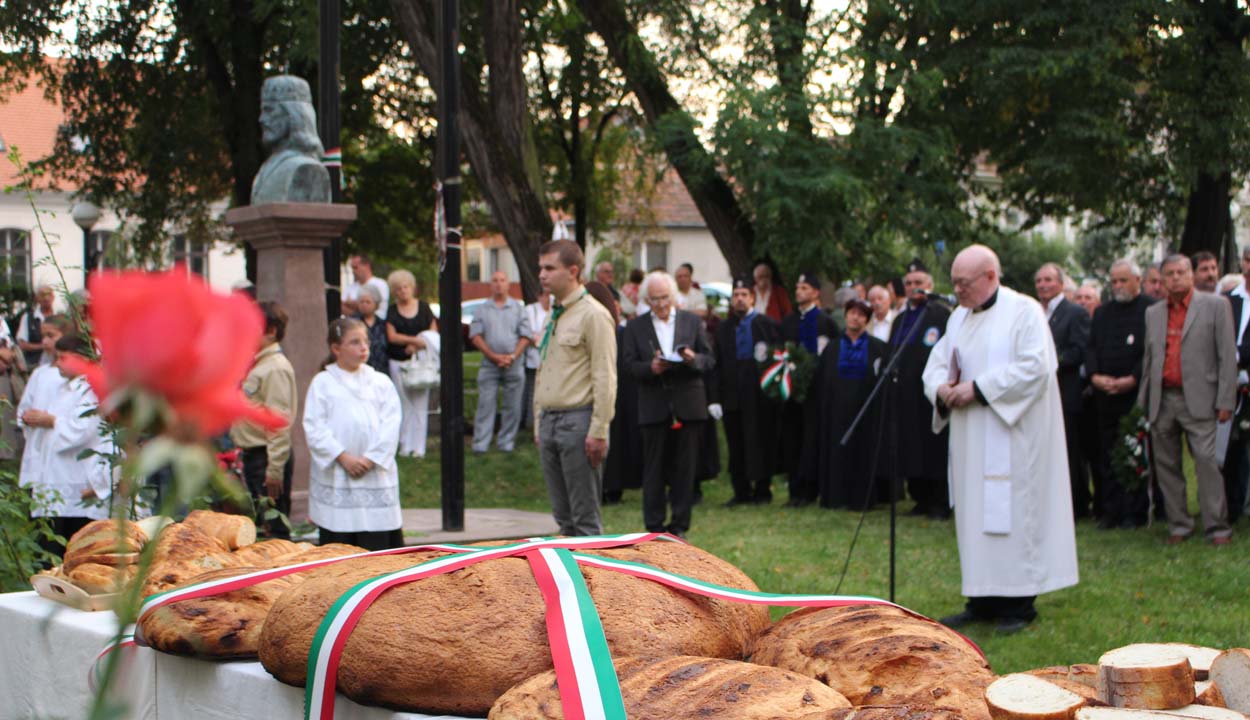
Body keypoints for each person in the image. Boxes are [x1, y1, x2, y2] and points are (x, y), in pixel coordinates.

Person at [922, 244, 1079, 634]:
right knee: (975, 515)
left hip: (1012, 435)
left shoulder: (1024, 311)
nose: (957, 290)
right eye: (954, 282)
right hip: (970, 437)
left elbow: (1037, 367)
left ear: (990, 276)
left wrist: (978, 389)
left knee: (1011, 515)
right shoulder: (958, 317)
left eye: (963, 283)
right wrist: (942, 390)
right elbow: (937, 365)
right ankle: (980, 600)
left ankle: (1019, 603)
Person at [1139, 254, 1237, 545]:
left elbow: (1226, 357)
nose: (1175, 278)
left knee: (1206, 462)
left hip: (1201, 398)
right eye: (1169, 274)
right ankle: (1179, 524)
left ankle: (1217, 527)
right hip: (1163, 398)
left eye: (1181, 272)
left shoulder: (1216, 306)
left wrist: (1225, 401)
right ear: (1162, 279)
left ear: (1191, 274)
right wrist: (1145, 400)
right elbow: (1150, 358)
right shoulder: (1154, 313)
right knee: (1167, 465)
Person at [534, 240, 617, 536]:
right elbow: (544, 369)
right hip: (550, 419)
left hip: (578, 421)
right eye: (540, 267)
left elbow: (605, 375)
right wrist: (537, 420)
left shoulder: (592, 315)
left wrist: (599, 429)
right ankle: (568, 582)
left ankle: (593, 581)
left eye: (549, 268)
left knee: (585, 520)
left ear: (572, 271)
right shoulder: (555, 314)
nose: (542, 274)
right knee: (563, 519)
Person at [621, 271, 713, 537]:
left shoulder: (691, 322)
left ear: (672, 296)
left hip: (688, 403)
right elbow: (628, 366)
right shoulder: (636, 327)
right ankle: (654, 527)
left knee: (685, 469)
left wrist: (692, 358)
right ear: (646, 300)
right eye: (654, 299)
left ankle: (679, 526)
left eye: (664, 298)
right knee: (654, 469)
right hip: (654, 404)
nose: (660, 304)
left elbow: (709, 359)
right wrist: (650, 368)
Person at [304, 318, 403, 550]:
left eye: (366, 341)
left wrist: (370, 459)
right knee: (340, 548)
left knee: (378, 550)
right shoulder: (323, 383)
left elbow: (391, 423)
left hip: (374, 474)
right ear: (336, 348)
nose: (364, 347)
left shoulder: (381, 382)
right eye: (355, 342)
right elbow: (314, 426)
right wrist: (343, 457)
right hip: (340, 474)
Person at [18, 325, 114, 551]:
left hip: (76, 475)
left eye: (63, 358)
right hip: (54, 475)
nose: (57, 363)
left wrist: (51, 421)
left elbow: (85, 428)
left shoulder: (91, 389)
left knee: (73, 540)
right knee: (49, 538)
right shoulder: (64, 387)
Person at [802, 298, 889, 509]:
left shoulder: (878, 348)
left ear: (866, 320)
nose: (855, 317)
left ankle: (861, 499)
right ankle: (835, 496)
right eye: (852, 313)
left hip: (864, 411)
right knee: (836, 452)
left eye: (860, 314)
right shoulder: (832, 348)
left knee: (862, 454)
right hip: (836, 411)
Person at [1087, 259, 1155, 529]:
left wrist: (1133, 378)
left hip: (1133, 394)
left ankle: (1134, 511)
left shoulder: (1150, 309)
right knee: (1107, 454)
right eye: (1114, 281)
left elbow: (1150, 352)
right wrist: (1094, 376)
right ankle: (1110, 509)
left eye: (1123, 280)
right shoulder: (1102, 313)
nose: (1117, 286)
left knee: (1133, 453)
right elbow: (1091, 347)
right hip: (1105, 395)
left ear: (1137, 280)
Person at [711, 276, 782, 505]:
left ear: (752, 298)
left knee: (761, 441)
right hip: (732, 396)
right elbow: (716, 364)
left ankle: (763, 490)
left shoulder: (767, 325)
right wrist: (715, 398)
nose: (739, 299)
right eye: (736, 295)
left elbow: (777, 360)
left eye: (744, 295)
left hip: (759, 397)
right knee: (736, 444)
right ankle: (740, 491)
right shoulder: (723, 329)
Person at [890, 260, 952, 520]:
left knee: (933, 445)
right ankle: (921, 497)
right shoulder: (901, 319)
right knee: (911, 446)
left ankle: (940, 500)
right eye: (909, 284)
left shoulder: (942, 315)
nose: (914, 288)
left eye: (919, 283)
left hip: (930, 394)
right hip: (905, 394)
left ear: (930, 286)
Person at [230, 301, 298, 538]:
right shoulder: (260, 364)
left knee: (274, 528)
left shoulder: (275, 368)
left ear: (270, 331)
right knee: (260, 526)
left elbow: (278, 421)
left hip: (267, 457)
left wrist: (275, 469)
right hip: (254, 455)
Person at [1035, 262, 1092, 519]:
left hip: (1065, 391)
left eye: (1048, 280)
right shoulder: (1034, 312)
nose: (1043, 285)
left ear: (1060, 283)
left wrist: (1049, 362)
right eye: (1039, 281)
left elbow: (1080, 350)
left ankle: (1077, 504)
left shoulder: (1074, 312)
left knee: (1069, 450)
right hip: (1038, 394)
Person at [779, 270, 838, 506]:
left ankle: (811, 487)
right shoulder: (789, 321)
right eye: (797, 288)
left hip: (816, 392)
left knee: (812, 439)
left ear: (815, 293)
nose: (799, 292)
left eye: (804, 288)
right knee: (793, 438)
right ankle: (795, 488)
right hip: (792, 391)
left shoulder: (826, 322)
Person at [470, 271, 531, 453]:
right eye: (495, 280)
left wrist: (512, 356)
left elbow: (526, 336)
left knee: (512, 405)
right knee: (485, 404)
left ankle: (506, 443)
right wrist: (493, 356)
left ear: (508, 284)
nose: (498, 284)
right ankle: (480, 444)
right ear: (490, 284)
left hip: (514, 364)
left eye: (502, 280)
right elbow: (475, 335)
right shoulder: (482, 309)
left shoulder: (518, 308)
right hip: (489, 365)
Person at [251, 75, 332, 204]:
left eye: (269, 111)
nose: (262, 119)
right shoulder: (266, 169)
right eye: (262, 111)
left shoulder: (306, 168)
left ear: (294, 115)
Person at [385, 269, 437, 457]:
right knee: (403, 403)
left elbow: (431, 336)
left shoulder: (424, 308)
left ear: (412, 287)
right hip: (398, 362)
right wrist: (413, 340)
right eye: (398, 289)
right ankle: (405, 444)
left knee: (420, 405)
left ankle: (419, 447)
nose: (403, 291)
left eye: (405, 287)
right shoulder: (392, 311)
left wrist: (413, 346)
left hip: (421, 364)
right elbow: (391, 336)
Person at [1223, 246, 1250, 525]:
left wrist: (1239, 352)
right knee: (1232, 448)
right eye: (1248, 260)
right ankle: (1231, 505)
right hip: (1232, 384)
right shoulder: (1227, 300)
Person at [520, 291, 551, 431]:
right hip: (534, 360)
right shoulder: (531, 310)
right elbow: (529, 333)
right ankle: (530, 423)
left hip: (551, 361)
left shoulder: (556, 309)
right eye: (545, 295)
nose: (548, 298)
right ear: (539, 296)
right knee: (532, 392)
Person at [353, 284, 390, 375]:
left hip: (381, 371)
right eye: (361, 302)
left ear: (376, 304)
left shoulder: (383, 324)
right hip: (360, 370)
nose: (364, 305)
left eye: (368, 302)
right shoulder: (352, 324)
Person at [17, 284, 56, 367]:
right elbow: (22, 344)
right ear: (37, 298)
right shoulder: (27, 318)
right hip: (34, 364)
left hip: (56, 363)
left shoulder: (60, 317)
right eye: (42, 295)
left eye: (49, 294)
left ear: (53, 297)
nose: (46, 298)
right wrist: (43, 347)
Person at [342, 254, 391, 319]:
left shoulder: (380, 284)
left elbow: (377, 307)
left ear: (367, 266)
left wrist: (352, 304)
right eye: (352, 268)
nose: (353, 271)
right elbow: (341, 307)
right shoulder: (350, 287)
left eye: (355, 267)